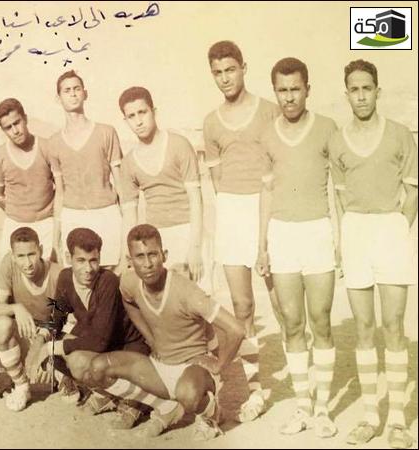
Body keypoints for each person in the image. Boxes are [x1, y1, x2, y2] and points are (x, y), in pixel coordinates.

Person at [85, 224, 246, 440]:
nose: (147, 264)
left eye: (153, 254)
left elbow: (236, 329)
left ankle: (212, 414)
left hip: (193, 369)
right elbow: (128, 301)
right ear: (130, 260)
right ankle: (165, 407)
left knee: (188, 394)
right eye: (140, 257)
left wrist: (219, 365)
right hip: (160, 366)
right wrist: (151, 339)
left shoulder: (187, 292)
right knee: (98, 368)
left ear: (164, 255)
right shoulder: (129, 281)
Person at [329, 59, 417, 449]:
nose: (361, 96)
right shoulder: (337, 141)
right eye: (354, 89)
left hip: (391, 230)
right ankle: (369, 416)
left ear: (377, 92)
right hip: (355, 233)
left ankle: (397, 420)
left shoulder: (400, 135)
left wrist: (398, 226)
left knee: (393, 325)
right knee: (364, 327)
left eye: (367, 88)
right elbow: (340, 199)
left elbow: (413, 192)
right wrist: (344, 240)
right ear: (346, 94)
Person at [256, 57, 338, 437]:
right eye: (282, 90)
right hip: (282, 234)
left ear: (308, 89)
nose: (289, 97)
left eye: (295, 89)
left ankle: (323, 410)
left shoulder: (327, 128)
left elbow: (339, 188)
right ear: (275, 92)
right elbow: (266, 193)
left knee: (320, 319)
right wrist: (262, 245)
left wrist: (339, 238)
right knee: (292, 322)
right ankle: (303, 406)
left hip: (317, 231)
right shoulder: (267, 135)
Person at [203, 40, 285, 421]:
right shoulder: (211, 122)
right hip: (233, 213)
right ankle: (256, 392)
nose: (225, 78)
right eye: (217, 72)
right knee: (243, 307)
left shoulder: (269, 111)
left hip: (268, 209)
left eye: (230, 70)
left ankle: (306, 390)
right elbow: (217, 179)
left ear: (244, 68)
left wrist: (267, 217)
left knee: (285, 305)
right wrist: (233, 211)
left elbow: (281, 165)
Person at [26, 227, 152, 429]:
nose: (88, 268)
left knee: (75, 360)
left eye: (93, 260)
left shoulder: (108, 281)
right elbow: (56, 319)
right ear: (69, 258)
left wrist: (49, 348)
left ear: (100, 258)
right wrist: (39, 342)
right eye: (81, 261)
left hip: (129, 347)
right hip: (102, 344)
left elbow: (100, 341)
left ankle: (136, 398)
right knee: (56, 353)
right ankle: (107, 393)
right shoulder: (65, 277)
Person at [119, 86, 203, 282]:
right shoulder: (129, 162)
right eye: (131, 116)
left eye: (142, 112)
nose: (138, 121)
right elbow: (129, 215)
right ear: (125, 120)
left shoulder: (179, 145)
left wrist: (195, 247)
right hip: (156, 240)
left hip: (189, 231)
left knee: (198, 296)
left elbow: (196, 199)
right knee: (164, 298)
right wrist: (125, 257)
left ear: (154, 111)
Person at [45, 70, 124, 269]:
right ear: (58, 98)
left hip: (106, 214)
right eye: (66, 90)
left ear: (85, 93)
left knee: (110, 275)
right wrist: (55, 240)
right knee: (78, 277)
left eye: (77, 89)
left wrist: (127, 226)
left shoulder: (106, 132)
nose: (73, 94)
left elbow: (121, 184)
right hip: (73, 216)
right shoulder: (53, 142)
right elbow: (59, 192)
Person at [0, 226, 62, 411]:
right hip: (26, 333)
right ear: (13, 256)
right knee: (1, 325)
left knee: (58, 379)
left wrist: (41, 343)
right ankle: (21, 385)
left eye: (32, 254)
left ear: (41, 250)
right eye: (21, 256)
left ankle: (58, 374)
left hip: (51, 336)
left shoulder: (56, 273)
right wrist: (16, 308)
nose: (27, 263)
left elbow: (62, 319)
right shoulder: (8, 263)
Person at [0, 98, 57, 261]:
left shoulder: (47, 147)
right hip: (14, 224)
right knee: (10, 271)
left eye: (17, 123)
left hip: (47, 223)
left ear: (25, 118)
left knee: (49, 271)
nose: (15, 131)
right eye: (8, 127)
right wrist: (17, 211)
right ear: (3, 130)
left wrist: (47, 211)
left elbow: (62, 186)